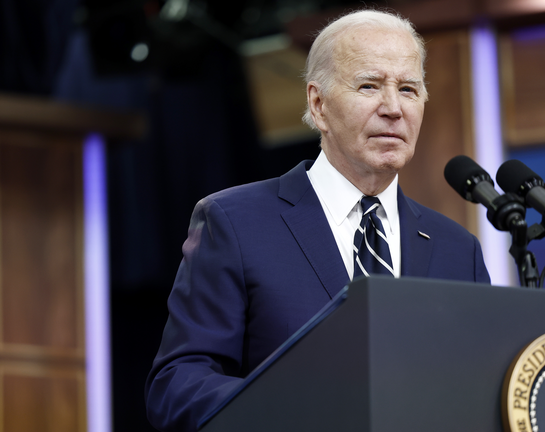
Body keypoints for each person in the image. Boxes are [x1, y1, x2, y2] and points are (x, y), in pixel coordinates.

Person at [145, 9, 491, 432]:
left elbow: (480, 389)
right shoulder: (235, 223)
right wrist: (296, 412)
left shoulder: (458, 250)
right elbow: (178, 384)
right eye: (369, 86)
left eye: (408, 89)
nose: (393, 108)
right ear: (318, 104)